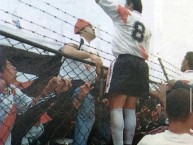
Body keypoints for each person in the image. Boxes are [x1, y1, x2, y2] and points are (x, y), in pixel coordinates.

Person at [95, 0, 151, 145]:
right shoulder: (147, 27)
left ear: (131, 5)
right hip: (141, 65)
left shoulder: (126, 13)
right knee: (130, 109)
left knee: (116, 107)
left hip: (125, 61)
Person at [59, 18, 103, 145]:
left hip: (89, 87)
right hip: (72, 84)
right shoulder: (76, 39)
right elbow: (67, 50)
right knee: (88, 105)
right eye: (90, 26)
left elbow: (99, 74)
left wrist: (101, 69)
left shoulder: (94, 49)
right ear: (82, 29)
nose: (94, 28)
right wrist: (89, 55)